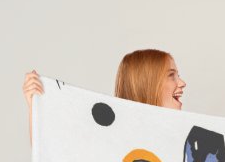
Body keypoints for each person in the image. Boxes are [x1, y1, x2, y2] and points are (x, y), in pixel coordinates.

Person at [22, 49, 187, 144]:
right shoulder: (111, 138)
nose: (182, 83)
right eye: (171, 75)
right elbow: (55, 161)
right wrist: (36, 107)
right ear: (147, 83)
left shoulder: (185, 140)